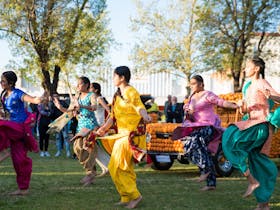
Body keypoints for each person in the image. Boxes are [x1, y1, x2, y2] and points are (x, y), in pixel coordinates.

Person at [222, 57, 280, 210]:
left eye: (248, 66)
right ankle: (263, 205)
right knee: (258, 163)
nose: (245, 69)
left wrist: (271, 96)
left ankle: (252, 180)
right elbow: (247, 109)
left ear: (256, 69)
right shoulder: (247, 86)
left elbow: (278, 98)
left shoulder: (262, 82)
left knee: (229, 139)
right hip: (251, 122)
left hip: (259, 126)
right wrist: (242, 107)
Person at [96, 66, 151, 209]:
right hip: (121, 135)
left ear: (122, 78)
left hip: (130, 136)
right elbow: (113, 117)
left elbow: (139, 106)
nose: (113, 79)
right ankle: (126, 196)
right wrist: (103, 129)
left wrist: (145, 115)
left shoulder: (131, 92)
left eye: (115, 76)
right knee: (121, 167)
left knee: (118, 166)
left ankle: (135, 196)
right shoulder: (116, 95)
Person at [173, 74, 238, 191]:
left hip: (208, 126)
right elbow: (192, 113)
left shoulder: (208, 95)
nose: (191, 86)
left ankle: (205, 170)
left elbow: (221, 102)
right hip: (195, 126)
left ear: (201, 84)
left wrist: (235, 105)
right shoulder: (192, 97)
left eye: (194, 83)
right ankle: (211, 183)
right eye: (190, 83)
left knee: (196, 142)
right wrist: (189, 112)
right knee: (191, 148)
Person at [0, 70, 44, 195]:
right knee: (19, 161)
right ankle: (23, 189)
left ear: (10, 82)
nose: (1, 83)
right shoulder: (4, 95)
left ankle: (3, 151)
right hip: (12, 128)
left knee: (1, 126)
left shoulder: (18, 93)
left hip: (19, 128)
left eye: (3, 81)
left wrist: (38, 99)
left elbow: (31, 99)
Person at [53, 76, 99, 186]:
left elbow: (95, 107)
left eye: (80, 84)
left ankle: (90, 174)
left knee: (88, 148)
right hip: (80, 127)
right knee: (77, 148)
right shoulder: (76, 97)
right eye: (77, 84)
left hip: (90, 126)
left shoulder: (91, 95)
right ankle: (91, 173)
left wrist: (81, 105)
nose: (77, 86)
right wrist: (59, 107)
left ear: (87, 85)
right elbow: (69, 112)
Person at [51, 93, 71, 158]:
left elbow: (67, 110)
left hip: (63, 122)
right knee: (57, 137)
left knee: (65, 137)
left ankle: (68, 152)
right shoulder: (51, 104)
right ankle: (58, 151)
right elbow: (51, 113)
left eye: (57, 96)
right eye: (54, 96)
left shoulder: (63, 102)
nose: (56, 97)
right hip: (56, 123)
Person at [37, 92, 52, 157]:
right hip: (41, 122)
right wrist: (47, 112)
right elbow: (41, 112)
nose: (46, 98)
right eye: (45, 96)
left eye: (47, 96)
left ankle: (46, 151)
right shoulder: (40, 104)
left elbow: (51, 111)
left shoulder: (49, 104)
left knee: (47, 137)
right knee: (41, 137)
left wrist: (48, 111)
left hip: (48, 122)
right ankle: (41, 151)